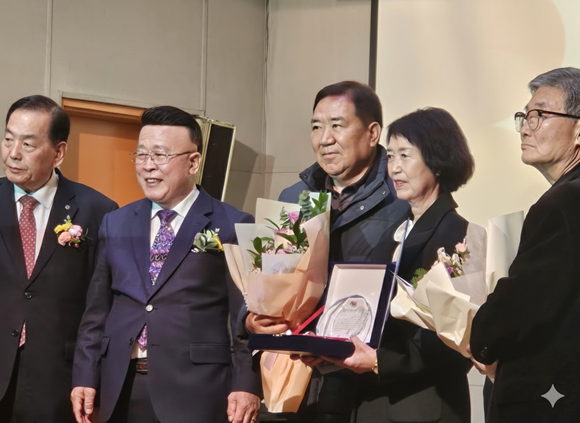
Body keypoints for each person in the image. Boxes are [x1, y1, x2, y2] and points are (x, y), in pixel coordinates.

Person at [71, 106, 261, 423]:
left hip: (198, 390)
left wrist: (247, 384)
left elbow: (245, 318)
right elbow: (97, 311)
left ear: (193, 162)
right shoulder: (115, 222)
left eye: (160, 155)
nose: (148, 165)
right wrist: (85, 375)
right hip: (121, 385)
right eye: (141, 155)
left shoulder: (233, 224)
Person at [246, 81, 409, 422]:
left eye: (337, 125)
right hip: (297, 383)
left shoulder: (402, 197)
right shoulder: (295, 197)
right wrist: (253, 318)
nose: (325, 139)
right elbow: (267, 275)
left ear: (372, 133)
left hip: (370, 388)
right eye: (317, 127)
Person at [322, 107, 475, 423]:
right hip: (371, 402)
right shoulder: (394, 233)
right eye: (390, 157)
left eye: (405, 156)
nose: (394, 168)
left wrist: (381, 361)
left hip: (424, 406)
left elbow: (457, 339)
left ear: (437, 160)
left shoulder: (459, 235)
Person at [470, 67, 580, 422]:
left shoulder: (564, 203)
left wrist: (481, 340)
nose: (525, 127)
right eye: (524, 116)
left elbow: (522, 304)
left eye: (540, 115)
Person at [0, 95, 118, 422]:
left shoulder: (98, 211)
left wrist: (90, 376)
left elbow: (102, 304)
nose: (13, 153)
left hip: (57, 380)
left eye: (28, 144)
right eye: (8, 140)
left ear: (59, 152)